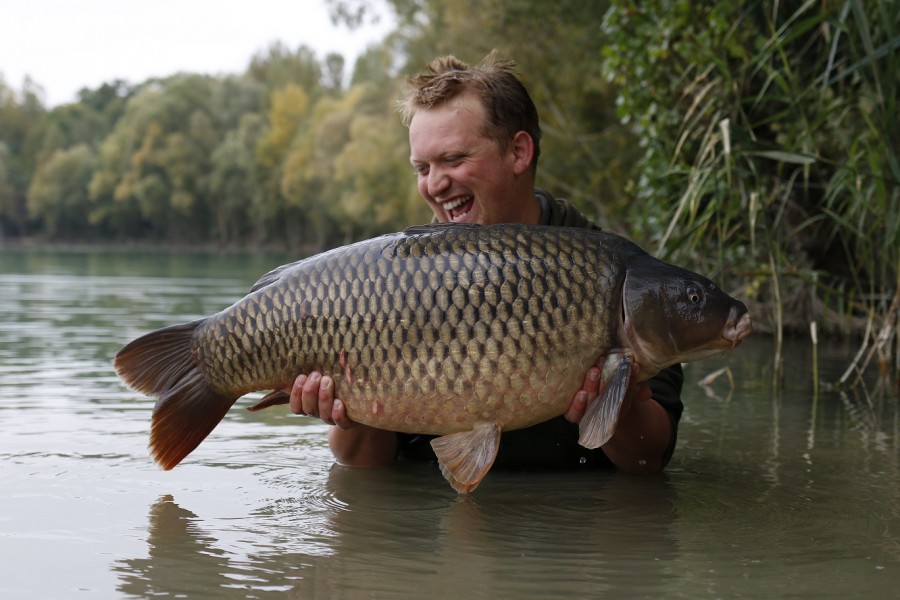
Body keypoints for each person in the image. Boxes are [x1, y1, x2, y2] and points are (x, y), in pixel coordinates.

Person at [284, 51, 684, 474]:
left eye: (454, 159)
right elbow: (365, 469)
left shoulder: (614, 276)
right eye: (422, 167)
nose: (435, 185)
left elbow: (650, 460)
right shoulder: (395, 280)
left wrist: (616, 408)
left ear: (518, 152)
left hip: (572, 524)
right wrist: (348, 410)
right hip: (430, 529)